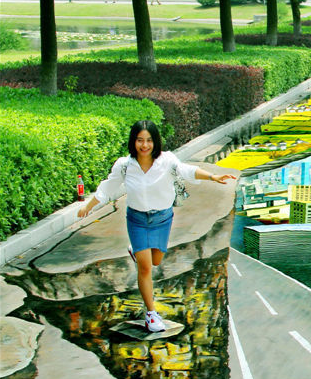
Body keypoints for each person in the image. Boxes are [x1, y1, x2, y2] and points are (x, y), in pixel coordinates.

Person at [77, 120, 236, 332]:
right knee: (144, 268)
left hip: (162, 218)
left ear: (155, 141)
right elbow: (108, 187)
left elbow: (186, 170)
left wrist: (213, 176)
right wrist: (88, 206)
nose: (144, 145)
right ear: (133, 142)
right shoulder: (125, 166)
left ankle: (137, 252)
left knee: (156, 260)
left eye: (149, 140)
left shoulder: (166, 160)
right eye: (140, 140)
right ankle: (151, 314)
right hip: (137, 219)